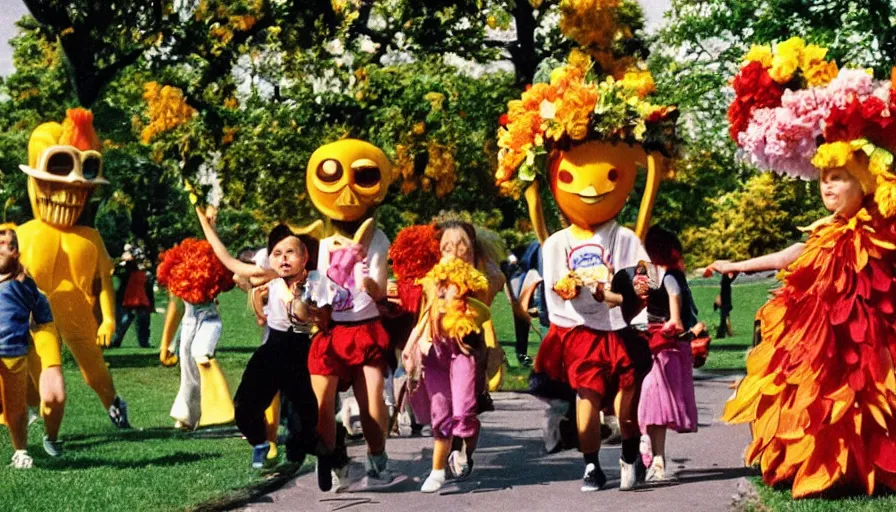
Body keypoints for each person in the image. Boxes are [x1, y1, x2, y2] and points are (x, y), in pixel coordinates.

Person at [708, 40, 896, 498]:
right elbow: (788, 256)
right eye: (824, 180)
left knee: (868, 396)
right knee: (818, 397)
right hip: (821, 339)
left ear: (865, 182)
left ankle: (864, 467)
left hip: (869, 340)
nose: (828, 188)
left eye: (840, 179)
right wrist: (735, 265)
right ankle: (823, 467)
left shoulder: (883, 231)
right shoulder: (824, 231)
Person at [195, 207, 322, 469]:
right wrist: (208, 228)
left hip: (302, 350)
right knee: (243, 408)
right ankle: (261, 443)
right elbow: (229, 262)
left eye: (290, 253)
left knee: (305, 419)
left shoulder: (316, 281)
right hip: (273, 348)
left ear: (304, 256)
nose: (284, 259)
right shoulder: (271, 276)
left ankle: (322, 453)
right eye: (277, 254)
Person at [401, 221, 492, 492]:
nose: (453, 252)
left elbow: (481, 307)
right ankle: (437, 471)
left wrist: (459, 289)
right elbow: (427, 313)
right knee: (440, 415)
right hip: (435, 353)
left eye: (460, 246)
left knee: (464, 412)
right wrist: (410, 345)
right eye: (446, 247)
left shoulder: (477, 279)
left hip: (462, 351)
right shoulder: (432, 279)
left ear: (470, 250)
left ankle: (464, 452)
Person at [637, 227, 700, 482]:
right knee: (652, 403)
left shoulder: (668, 276)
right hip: (654, 344)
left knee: (653, 401)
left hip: (664, 346)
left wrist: (673, 321)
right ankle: (653, 454)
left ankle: (654, 453)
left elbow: (674, 314)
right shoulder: (658, 274)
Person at [156, 237, 236, 430]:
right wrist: (166, 344)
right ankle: (187, 416)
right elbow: (175, 311)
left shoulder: (210, 280)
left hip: (209, 321)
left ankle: (222, 408)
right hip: (188, 325)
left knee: (201, 354)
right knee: (188, 369)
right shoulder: (179, 286)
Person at [0, 224, 59, 468]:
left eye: (9, 245)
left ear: (17, 253)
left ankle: (21, 451)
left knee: (15, 408)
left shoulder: (23, 283)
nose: (3, 249)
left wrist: (41, 329)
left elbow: (42, 309)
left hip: (13, 353)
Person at [111, 243, 154, 348]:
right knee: (123, 321)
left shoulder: (145, 272)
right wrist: (123, 261)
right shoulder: (125, 269)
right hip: (126, 298)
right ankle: (116, 340)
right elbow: (115, 270)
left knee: (142, 322)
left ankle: (144, 342)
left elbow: (149, 288)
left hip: (141, 299)